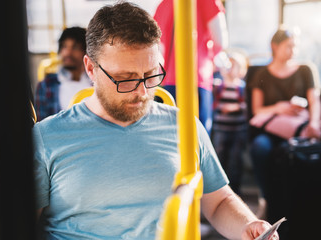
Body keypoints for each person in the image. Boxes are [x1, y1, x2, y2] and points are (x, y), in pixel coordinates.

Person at [33, 2, 278, 239]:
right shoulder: (46, 138)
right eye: (125, 78)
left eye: (151, 75)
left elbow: (218, 202)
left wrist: (247, 225)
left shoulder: (185, 126)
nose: (141, 92)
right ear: (90, 68)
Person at [249, 27, 321, 201]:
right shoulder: (261, 74)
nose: (293, 51)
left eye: (295, 46)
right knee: (259, 148)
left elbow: (314, 101)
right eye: (289, 46)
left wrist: (314, 123)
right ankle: (267, 198)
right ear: (275, 46)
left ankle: (305, 202)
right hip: (271, 131)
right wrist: (278, 107)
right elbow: (256, 110)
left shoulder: (305, 70)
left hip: (300, 129)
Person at [154, 0, 229, 135]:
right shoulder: (208, 2)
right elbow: (221, 40)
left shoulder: (163, 4)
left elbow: (158, 47)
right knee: (199, 137)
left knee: (172, 136)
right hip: (198, 77)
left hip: (169, 81)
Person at [35, 27, 92, 121]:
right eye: (64, 47)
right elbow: (40, 125)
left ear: (86, 51)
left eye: (75, 47)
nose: (68, 52)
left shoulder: (95, 83)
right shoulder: (46, 85)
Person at [212, 51, 248, 195]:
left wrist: (236, 107)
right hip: (221, 128)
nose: (231, 69)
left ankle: (235, 191)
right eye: (229, 65)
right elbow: (213, 102)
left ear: (242, 71)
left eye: (236, 66)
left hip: (237, 130)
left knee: (235, 160)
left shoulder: (241, 88)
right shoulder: (219, 85)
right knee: (219, 158)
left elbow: (246, 106)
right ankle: (219, 190)